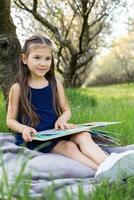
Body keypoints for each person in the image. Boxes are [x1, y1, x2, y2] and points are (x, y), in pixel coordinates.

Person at [6, 35, 134, 177]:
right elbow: (10, 120)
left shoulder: (55, 83)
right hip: (36, 137)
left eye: (47, 59)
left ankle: (109, 161)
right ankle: (102, 171)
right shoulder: (18, 88)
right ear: (24, 59)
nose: (43, 63)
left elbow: (66, 110)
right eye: (37, 58)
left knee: (83, 135)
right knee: (69, 147)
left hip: (56, 130)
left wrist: (62, 120)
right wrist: (24, 129)